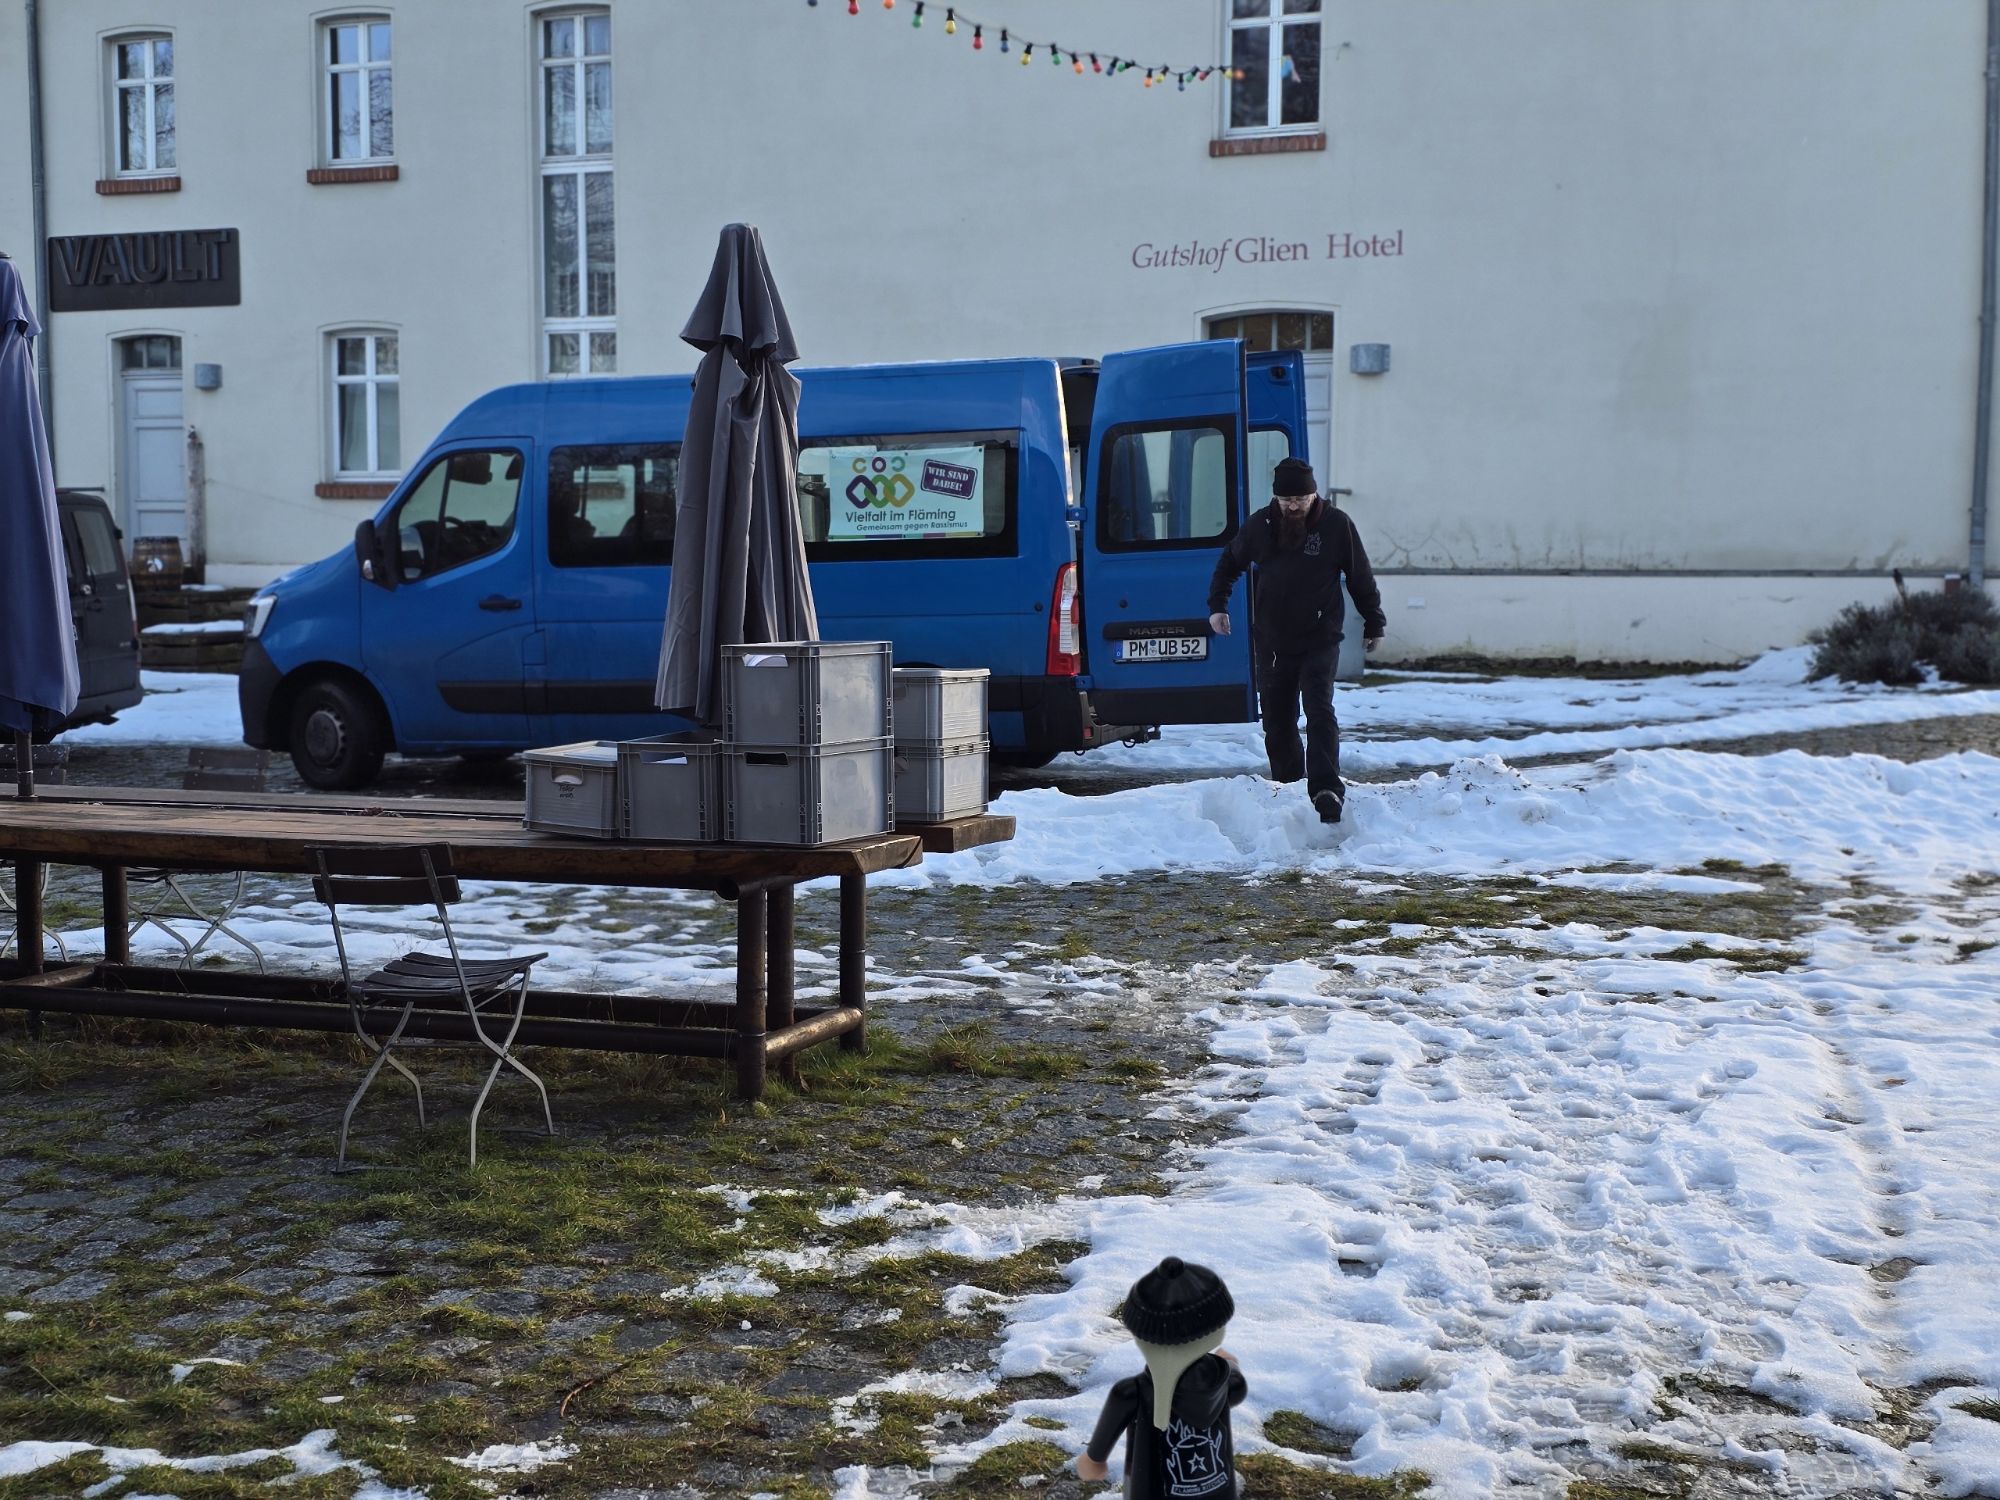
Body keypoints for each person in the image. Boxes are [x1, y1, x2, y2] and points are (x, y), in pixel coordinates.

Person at [1206, 457, 1386, 824]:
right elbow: (1229, 563)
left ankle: (1326, 789)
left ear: (1313, 495)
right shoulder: (1260, 526)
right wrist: (1218, 606)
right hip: (1272, 639)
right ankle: (1288, 786)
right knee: (1278, 718)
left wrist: (1374, 621)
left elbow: (1360, 576)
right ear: (1276, 498)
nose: (1293, 507)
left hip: (1320, 637)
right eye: (1286, 500)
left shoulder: (1336, 525)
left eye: (1300, 500)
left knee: (1319, 710)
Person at [1075, 1255, 1247, 1498]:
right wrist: (1231, 1364)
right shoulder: (1225, 1380)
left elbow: (1102, 1442)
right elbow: (1238, 1387)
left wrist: (1094, 1461)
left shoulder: (1133, 1392)